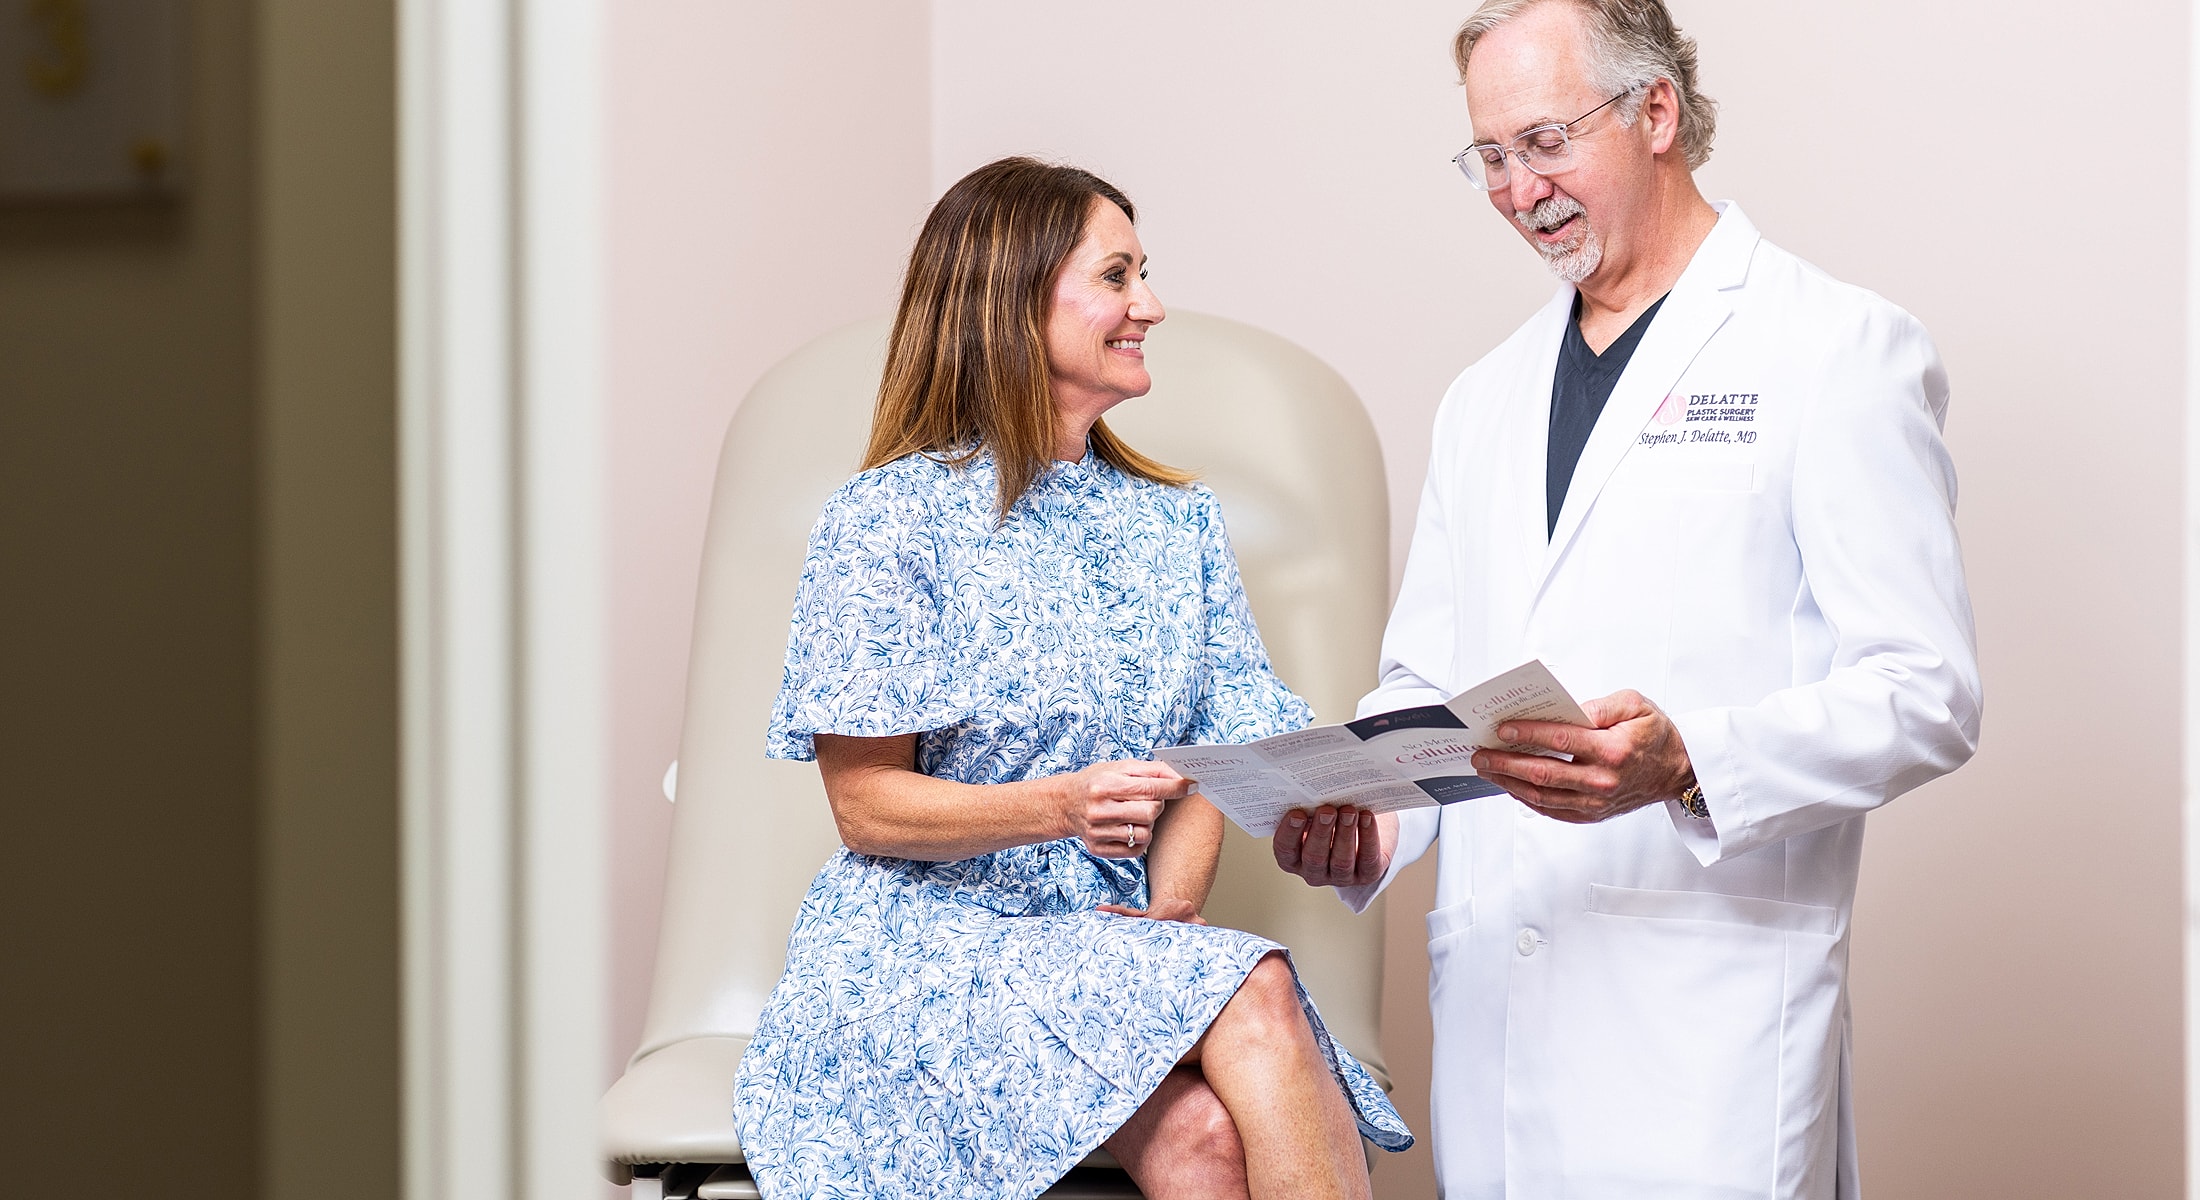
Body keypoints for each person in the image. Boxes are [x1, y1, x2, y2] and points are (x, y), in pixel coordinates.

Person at [1269, 2, 1981, 1197]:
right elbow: (1425, 685)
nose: (1516, 187)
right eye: (1489, 156)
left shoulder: (1834, 350)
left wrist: (1685, 759)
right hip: (1501, 1017)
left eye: (1544, 141)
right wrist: (1373, 819)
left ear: (1657, 111)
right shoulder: (1481, 399)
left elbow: (1928, 693)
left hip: (1703, 1030)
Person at [731, 157, 1411, 1200]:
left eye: (1145, 275)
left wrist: (1168, 916)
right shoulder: (885, 523)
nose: (1151, 305)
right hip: (925, 963)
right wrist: (1061, 806)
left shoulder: (1175, 522)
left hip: (1104, 954)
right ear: (1012, 302)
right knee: (1259, 983)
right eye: (1118, 276)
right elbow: (865, 807)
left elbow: (1213, 756)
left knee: (1206, 1142)